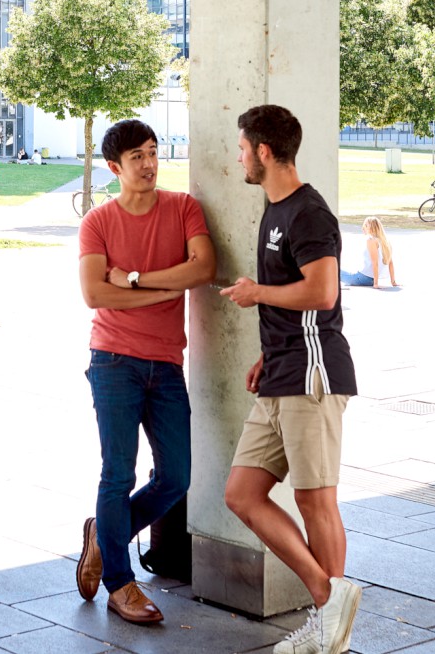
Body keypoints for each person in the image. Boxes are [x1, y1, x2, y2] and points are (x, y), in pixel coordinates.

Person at [220, 105, 360, 654]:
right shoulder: (273, 208)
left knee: (315, 501)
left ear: (263, 152)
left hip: (314, 374)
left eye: (242, 148)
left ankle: (329, 629)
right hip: (279, 372)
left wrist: (255, 292)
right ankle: (330, 596)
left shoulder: (308, 213)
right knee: (242, 494)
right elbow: (293, 302)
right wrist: (265, 350)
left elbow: (322, 293)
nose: (237, 156)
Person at [76, 119, 215, 626]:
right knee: (118, 473)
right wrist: (160, 292)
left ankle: (104, 538)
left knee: (177, 476)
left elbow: (202, 269)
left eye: (154, 152)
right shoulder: (98, 221)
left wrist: (134, 280)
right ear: (115, 167)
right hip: (112, 359)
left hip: (166, 361)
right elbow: (95, 294)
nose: (149, 163)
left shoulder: (183, 208)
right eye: (137, 156)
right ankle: (120, 583)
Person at [339, 216, 397, 289]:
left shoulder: (371, 240)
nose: (363, 227)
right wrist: (393, 282)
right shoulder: (385, 242)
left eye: (366, 225)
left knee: (333, 270)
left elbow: (375, 263)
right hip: (368, 279)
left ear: (373, 228)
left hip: (363, 278)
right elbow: (390, 263)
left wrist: (376, 284)